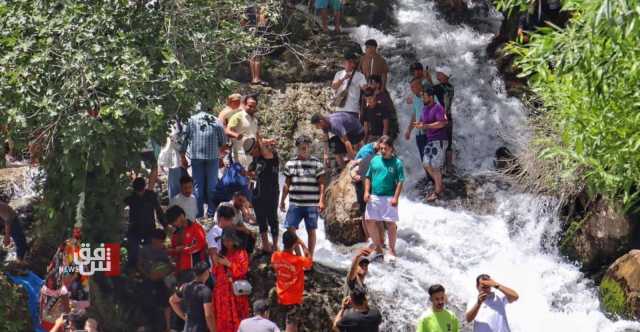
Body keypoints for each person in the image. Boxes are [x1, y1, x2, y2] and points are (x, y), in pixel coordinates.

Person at [280, 136, 326, 258]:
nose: (304, 149)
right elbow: (286, 184)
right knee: (290, 230)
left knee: (311, 231)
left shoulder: (317, 164)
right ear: (297, 148)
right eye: (301, 147)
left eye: (306, 147)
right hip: (295, 204)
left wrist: (321, 201)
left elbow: (321, 184)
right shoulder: (290, 164)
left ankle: (309, 258)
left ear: (309, 147)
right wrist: (282, 200)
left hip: (311, 204)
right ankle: (298, 256)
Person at [181, 105, 228, 218]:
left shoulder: (191, 120)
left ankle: (199, 214)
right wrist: (221, 158)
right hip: (212, 158)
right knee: (212, 186)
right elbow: (223, 143)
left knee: (197, 186)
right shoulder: (216, 121)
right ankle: (211, 213)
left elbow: (184, 140)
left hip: (196, 157)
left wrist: (182, 157)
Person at [364, 137, 404, 258]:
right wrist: (366, 192)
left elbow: (400, 181)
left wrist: (396, 198)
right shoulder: (375, 160)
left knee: (390, 224)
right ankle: (378, 247)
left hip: (389, 197)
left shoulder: (397, 163)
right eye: (381, 148)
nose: (382, 150)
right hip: (374, 196)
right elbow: (368, 177)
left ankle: (392, 249)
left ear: (391, 149)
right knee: (369, 221)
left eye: (385, 149)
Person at [271, 230, 313, 332]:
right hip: (293, 299)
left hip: (280, 296)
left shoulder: (275, 256)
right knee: (291, 327)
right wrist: (303, 244)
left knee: (281, 326)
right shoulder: (298, 260)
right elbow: (309, 264)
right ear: (295, 244)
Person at [245, 137, 280, 252]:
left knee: (273, 219)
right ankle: (265, 245)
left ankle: (275, 245)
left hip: (271, 193)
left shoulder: (271, 155)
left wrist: (259, 137)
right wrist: (249, 175)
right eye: (249, 153)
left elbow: (265, 152)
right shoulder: (254, 161)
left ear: (257, 147)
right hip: (257, 194)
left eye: (252, 152)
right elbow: (251, 178)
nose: (251, 155)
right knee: (261, 220)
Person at [212, 228, 250, 332]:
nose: (226, 243)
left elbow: (243, 270)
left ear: (234, 240)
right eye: (224, 241)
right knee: (223, 321)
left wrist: (228, 264)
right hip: (222, 293)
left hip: (235, 292)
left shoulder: (241, 253)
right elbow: (215, 273)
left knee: (238, 319)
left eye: (229, 240)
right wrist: (216, 263)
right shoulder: (220, 253)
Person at [414, 87, 449, 202]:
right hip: (430, 141)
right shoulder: (424, 109)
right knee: (426, 164)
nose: (422, 98)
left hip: (439, 140)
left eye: (424, 96)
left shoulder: (438, 108)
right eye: (422, 96)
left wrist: (426, 126)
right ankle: (440, 185)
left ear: (431, 96)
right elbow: (422, 122)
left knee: (435, 166)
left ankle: (437, 191)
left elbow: (443, 123)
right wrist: (419, 124)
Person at [124, 177, 166, 270]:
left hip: (149, 229)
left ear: (144, 187)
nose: (140, 193)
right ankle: (132, 270)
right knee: (133, 252)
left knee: (149, 253)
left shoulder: (151, 195)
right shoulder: (130, 196)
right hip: (134, 229)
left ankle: (149, 270)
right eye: (138, 192)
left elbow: (159, 211)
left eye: (141, 191)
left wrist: (165, 225)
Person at [138, 228, 173, 332]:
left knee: (166, 303)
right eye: (158, 240)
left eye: (161, 241)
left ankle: (168, 327)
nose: (159, 243)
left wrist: (163, 273)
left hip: (161, 281)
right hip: (148, 281)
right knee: (148, 303)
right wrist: (148, 275)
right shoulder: (144, 249)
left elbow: (169, 266)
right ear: (153, 239)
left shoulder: (164, 251)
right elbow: (139, 265)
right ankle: (147, 326)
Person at [169, 261, 216, 332]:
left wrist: (184, 317)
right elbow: (208, 315)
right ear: (206, 273)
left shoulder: (184, 287)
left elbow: (172, 300)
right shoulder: (205, 291)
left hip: (187, 328)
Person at [167, 205, 207, 278]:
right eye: (173, 223)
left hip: (197, 269)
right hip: (182, 271)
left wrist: (184, 249)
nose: (175, 224)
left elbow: (201, 245)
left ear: (182, 216)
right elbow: (175, 253)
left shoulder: (196, 227)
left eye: (175, 221)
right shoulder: (175, 234)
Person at [227, 94, 260, 169]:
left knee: (249, 180)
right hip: (239, 155)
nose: (252, 108)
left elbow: (256, 136)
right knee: (239, 179)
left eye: (254, 107)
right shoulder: (238, 116)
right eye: (250, 106)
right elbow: (227, 131)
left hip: (252, 157)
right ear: (244, 105)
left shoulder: (255, 120)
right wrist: (236, 135)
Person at [432, 70, 455, 174]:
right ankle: (448, 167)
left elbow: (431, 90)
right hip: (448, 117)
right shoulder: (450, 87)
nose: (437, 74)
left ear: (445, 75)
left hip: (443, 118)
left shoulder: (442, 87)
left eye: (439, 73)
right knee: (448, 142)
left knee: (441, 142)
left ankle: (441, 167)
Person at [331, 51, 368, 116]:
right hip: (339, 109)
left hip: (352, 109)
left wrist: (367, 87)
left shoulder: (360, 75)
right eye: (350, 62)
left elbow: (365, 88)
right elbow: (334, 87)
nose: (352, 64)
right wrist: (343, 79)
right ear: (344, 62)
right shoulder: (338, 74)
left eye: (353, 62)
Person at [158, 121, 187, 201]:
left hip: (175, 159)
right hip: (175, 159)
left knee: (176, 184)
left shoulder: (176, 120)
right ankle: (175, 206)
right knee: (175, 186)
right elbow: (174, 140)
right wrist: (182, 156)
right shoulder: (172, 121)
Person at [363, 75, 394, 143]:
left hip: (383, 133)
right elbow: (366, 127)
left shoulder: (383, 98)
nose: (370, 85)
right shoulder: (366, 109)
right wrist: (364, 140)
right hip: (372, 136)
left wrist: (383, 140)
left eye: (372, 83)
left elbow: (386, 125)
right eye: (369, 83)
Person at [405, 78, 429, 162]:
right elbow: (415, 115)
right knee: (424, 159)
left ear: (420, 86)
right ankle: (429, 175)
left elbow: (438, 111)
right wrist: (409, 130)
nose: (412, 89)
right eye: (411, 87)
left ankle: (436, 175)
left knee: (431, 160)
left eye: (413, 86)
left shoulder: (429, 96)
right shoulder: (415, 98)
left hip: (430, 132)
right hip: (419, 133)